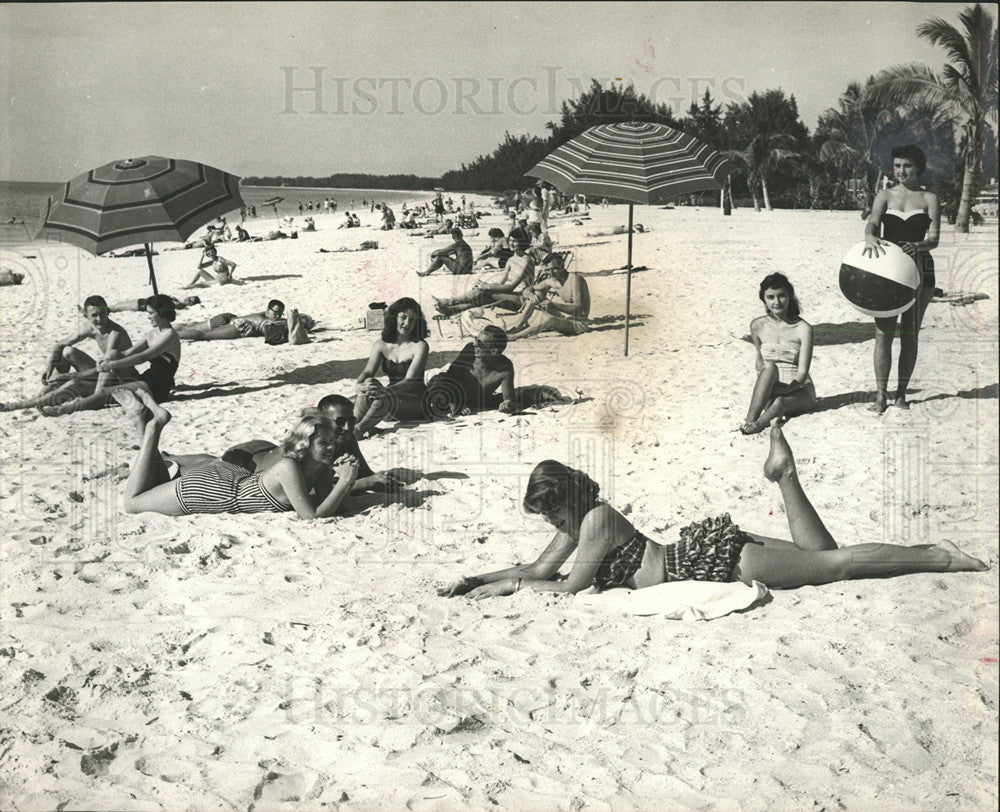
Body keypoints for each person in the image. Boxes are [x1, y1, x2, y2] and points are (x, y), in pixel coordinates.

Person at [438, 425, 987, 600]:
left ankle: (939, 558)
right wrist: (478, 578)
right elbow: (538, 571)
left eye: (552, 513)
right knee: (824, 554)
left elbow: (565, 589)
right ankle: (784, 476)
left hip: (717, 566)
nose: (551, 526)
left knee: (834, 566)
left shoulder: (596, 522)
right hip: (710, 550)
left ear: (571, 499)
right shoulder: (581, 523)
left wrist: (510, 591)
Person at [112, 395, 359, 519]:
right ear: (305, 445)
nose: (329, 448)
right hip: (215, 490)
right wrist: (346, 482)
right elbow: (312, 518)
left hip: (233, 479)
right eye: (323, 443)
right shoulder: (288, 468)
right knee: (133, 504)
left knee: (154, 487)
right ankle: (152, 427)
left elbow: (334, 508)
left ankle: (142, 421)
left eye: (330, 443)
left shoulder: (320, 468)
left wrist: (344, 481)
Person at [164, 394, 401, 493]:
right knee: (204, 467)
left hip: (263, 448)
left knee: (212, 459)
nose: (349, 428)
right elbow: (312, 489)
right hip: (247, 463)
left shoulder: (342, 436)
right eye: (340, 422)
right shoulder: (309, 445)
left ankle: (172, 454)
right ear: (319, 420)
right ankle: (168, 458)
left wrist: (376, 480)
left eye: (352, 420)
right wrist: (368, 482)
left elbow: (366, 474)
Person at [862, 145, 941, 413]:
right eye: (896, 166)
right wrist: (870, 236)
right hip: (888, 271)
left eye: (906, 166)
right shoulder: (884, 196)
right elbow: (873, 222)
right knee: (883, 335)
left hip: (921, 270)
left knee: (910, 335)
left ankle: (901, 395)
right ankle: (881, 396)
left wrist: (918, 246)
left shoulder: (929, 198)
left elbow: (934, 238)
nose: (901, 171)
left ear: (917, 167)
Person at [0, 295, 134, 413]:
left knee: (73, 383)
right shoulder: (91, 327)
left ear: (108, 312)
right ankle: (46, 392)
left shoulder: (115, 334)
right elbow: (60, 345)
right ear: (86, 315)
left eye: (103, 314)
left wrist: (68, 376)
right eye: (94, 315)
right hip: (104, 373)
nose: (100, 319)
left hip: (118, 380)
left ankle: (19, 405)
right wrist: (49, 369)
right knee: (67, 351)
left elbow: (104, 368)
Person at [740, 274, 815, 435]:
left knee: (780, 402)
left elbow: (802, 373)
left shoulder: (804, 329)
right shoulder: (757, 326)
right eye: (770, 297)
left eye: (781, 295)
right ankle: (749, 419)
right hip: (772, 386)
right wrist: (768, 385)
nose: (777, 302)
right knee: (768, 367)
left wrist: (785, 390)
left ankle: (757, 424)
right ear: (764, 299)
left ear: (789, 296)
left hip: (799, 388)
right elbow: (759, 362)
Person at [354, 297, 431, 437]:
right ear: (394, 318)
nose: (407, 323)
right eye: (403, 317)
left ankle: (358, 431)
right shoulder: (381, 344)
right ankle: (355, 427)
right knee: (368, 384)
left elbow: (410, 381)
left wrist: (383, 391)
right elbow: (368, 371)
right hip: (390, 397)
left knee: (381, 398)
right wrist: (360, 385)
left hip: (416, 401)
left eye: (413, 320)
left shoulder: (420, 345)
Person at [432, 234, 535, 317]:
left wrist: (487, 287)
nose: (511, 243)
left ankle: (450, 302)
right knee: (482, 296)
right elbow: (502, 282)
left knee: (484, 291)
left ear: (522, 243)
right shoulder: (511, 259)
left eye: (515, 241)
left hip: (522, 298)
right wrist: (487, 284)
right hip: (510, 294)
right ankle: (451, 309)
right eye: (510, 240)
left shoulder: (525, 261)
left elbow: (511, 287)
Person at [424, 326, 516, 417]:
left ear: (494, 351)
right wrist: (454, 402)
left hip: (474, 400)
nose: (474, 344)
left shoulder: (505, 368)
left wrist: (506, 405)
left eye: (480, 343)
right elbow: (450, 377)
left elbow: (509, 399)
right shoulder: (469, 350)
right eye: (475, 339)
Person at [501, 254, 590, 340]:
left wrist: (554, 305)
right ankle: (520, 324)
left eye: (554, 269)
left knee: (550, 320)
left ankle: (516, 336)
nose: (551, 273)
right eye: (548, 270)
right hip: (566, 317)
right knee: (537, 294)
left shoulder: (575, 280)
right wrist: (531, 295)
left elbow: (580, 309)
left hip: (579, 324)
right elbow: (528, 289)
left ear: (562, 266)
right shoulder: (552, 281)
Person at [175, 300, 285, 341]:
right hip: (236, 326)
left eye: (280, 314)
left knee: (189, 326)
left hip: (227, 317)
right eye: (276, 313)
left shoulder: (261, 314)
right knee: (203, 335)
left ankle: (163, 329)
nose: (278, 316)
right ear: (268, 310)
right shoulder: (265, 322)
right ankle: (171, 335)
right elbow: (270, 336)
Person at [108, 295, 200, 313]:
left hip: (145, 304)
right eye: (189, 297)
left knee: (118, 308)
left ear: (191, 305)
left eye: (190, 300)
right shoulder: (179, 303)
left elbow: (166, 304)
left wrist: (169, 298)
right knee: (120, 304)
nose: (188, 298)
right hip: (145, 302)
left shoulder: (179, 305)